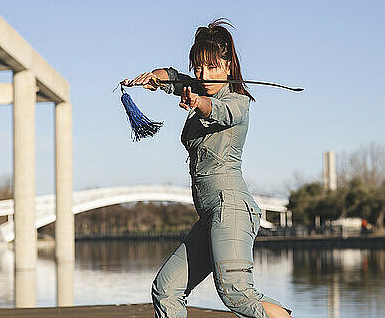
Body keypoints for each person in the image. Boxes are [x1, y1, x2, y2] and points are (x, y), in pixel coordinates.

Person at [122, 18, 293, 318]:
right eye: (199, 67)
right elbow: (175, 78)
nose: (205, 74)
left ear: (228, 65)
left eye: (213, 67)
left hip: (232, 209)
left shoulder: (237, 102)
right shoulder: (198, 87)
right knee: (166, 290)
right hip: (210, 214)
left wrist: (198, 100)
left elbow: (217, 111)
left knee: (237, 294)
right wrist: (154, 77)